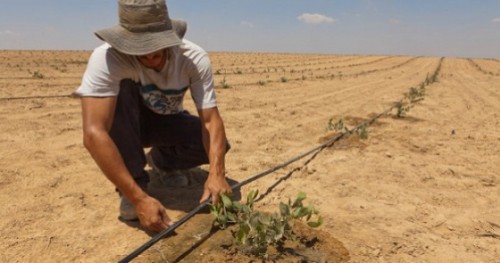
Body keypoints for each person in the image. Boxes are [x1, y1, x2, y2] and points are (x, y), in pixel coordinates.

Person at [74, 0, 232, 233]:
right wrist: (138, 199)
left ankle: (161, 163)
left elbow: (210, 120)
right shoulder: (107, 59)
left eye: (156, 51)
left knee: (214, 145)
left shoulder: (193, 58)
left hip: (165, 119)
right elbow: (93, 133)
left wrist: (217, 174)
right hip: (125, 124)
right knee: (122, 91)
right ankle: (134, 186)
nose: (150, 58)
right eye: (141, 52)